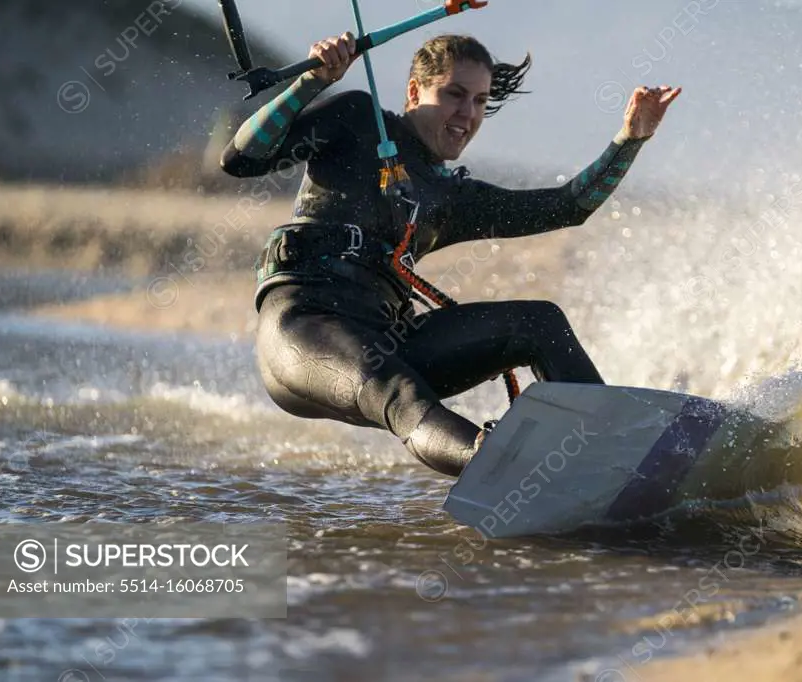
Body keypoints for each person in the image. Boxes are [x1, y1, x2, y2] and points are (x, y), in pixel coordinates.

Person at [220, 32, 681, 476]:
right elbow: (242, 158)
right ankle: (497, 463)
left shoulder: (451, 196)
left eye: (480, 101)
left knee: (539, 322)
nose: (468, 114)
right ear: (415, 91)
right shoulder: (357, 118)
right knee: (398, 391)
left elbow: (568, 207)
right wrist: (311, 82)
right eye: (455, 95)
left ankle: (611, 454)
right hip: (303, 329)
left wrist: (629, 139)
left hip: (388, 336)